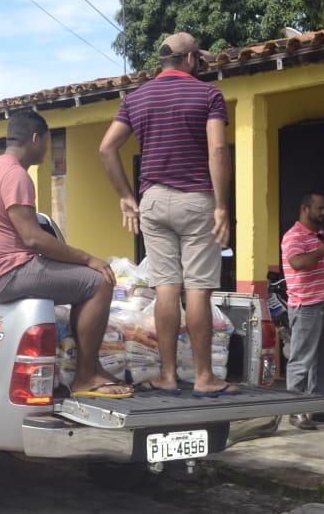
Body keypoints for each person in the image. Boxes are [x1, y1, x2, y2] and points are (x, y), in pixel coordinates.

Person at [0, 111, 128, 398]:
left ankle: (86, 368)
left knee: (82, 277)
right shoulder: (16, 175)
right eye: (46, 141)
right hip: (9, 273)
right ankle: (86, 375)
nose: (47, 148)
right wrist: (89, 259)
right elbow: (33, 238)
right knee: (99, 282)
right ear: (36, 139)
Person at [98, 32, 235, 398]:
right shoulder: (208, 95)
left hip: (154, 200)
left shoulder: (136, 98)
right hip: (197, 200)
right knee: (198, 291)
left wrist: (126, 196)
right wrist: (222, 205)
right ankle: (204, 377)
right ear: (190, 60)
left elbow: (106, 148)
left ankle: (168, 375)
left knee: (166, 289)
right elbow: (218, 150)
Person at [280, 192, 324, 429]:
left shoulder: (320, 235)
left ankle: (318, 408)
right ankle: (295, 411)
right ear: (304, 208)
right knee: (302, 360)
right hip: (307, 307)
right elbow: (298, 263)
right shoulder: (294, 236)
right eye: (319, 208)